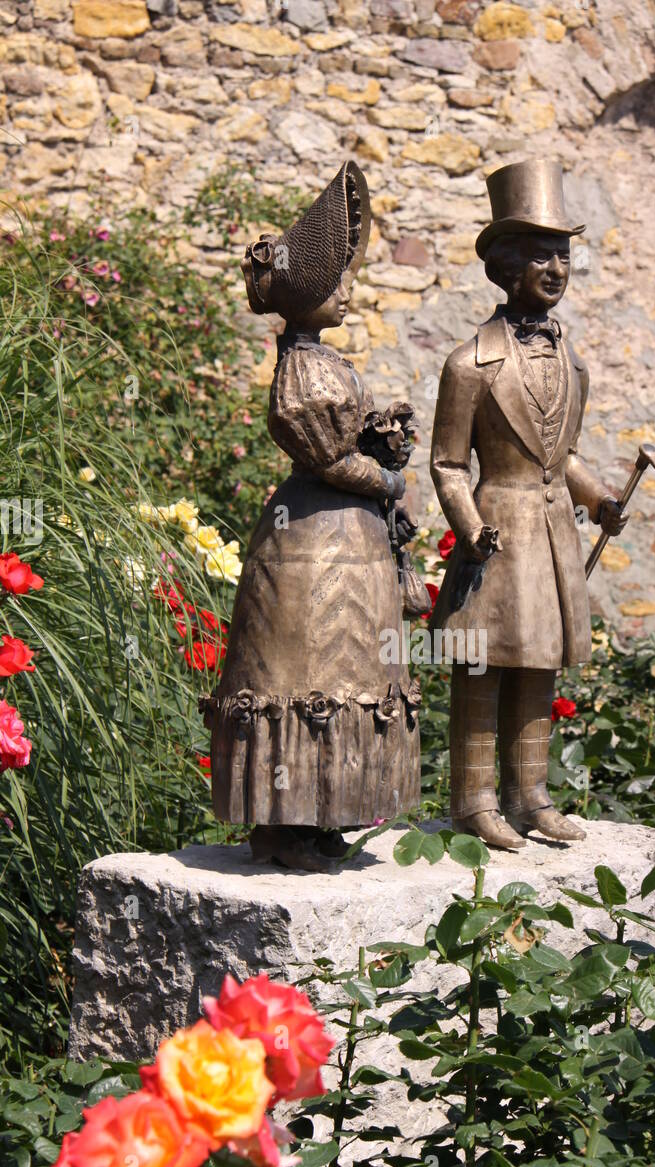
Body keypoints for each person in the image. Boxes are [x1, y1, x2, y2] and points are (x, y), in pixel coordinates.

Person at [202, 161, 420, 871]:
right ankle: (280, 824)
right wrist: (384, 475)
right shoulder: (301, 368)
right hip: (314, 538)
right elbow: (325, 458)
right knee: (300, 668)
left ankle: (324, 813)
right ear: (308, 298)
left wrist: (381, 433)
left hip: (343, 538)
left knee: (346, 664)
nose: (348, 297)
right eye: (338, 288)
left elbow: (341, 441)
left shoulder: (324, 360)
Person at [430, 158, 627, 851]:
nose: (557, 269)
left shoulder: (574, 364)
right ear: (505, 268)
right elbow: (448, 464)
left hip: (551, 539)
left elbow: (564, 456)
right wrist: (471, 526)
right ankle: (475, 802)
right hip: (497, 534)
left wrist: (599, 500)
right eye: (541, 255)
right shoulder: (468, 363)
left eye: (564, 255)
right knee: (484, 667)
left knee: (538, 666)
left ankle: (533, 796)